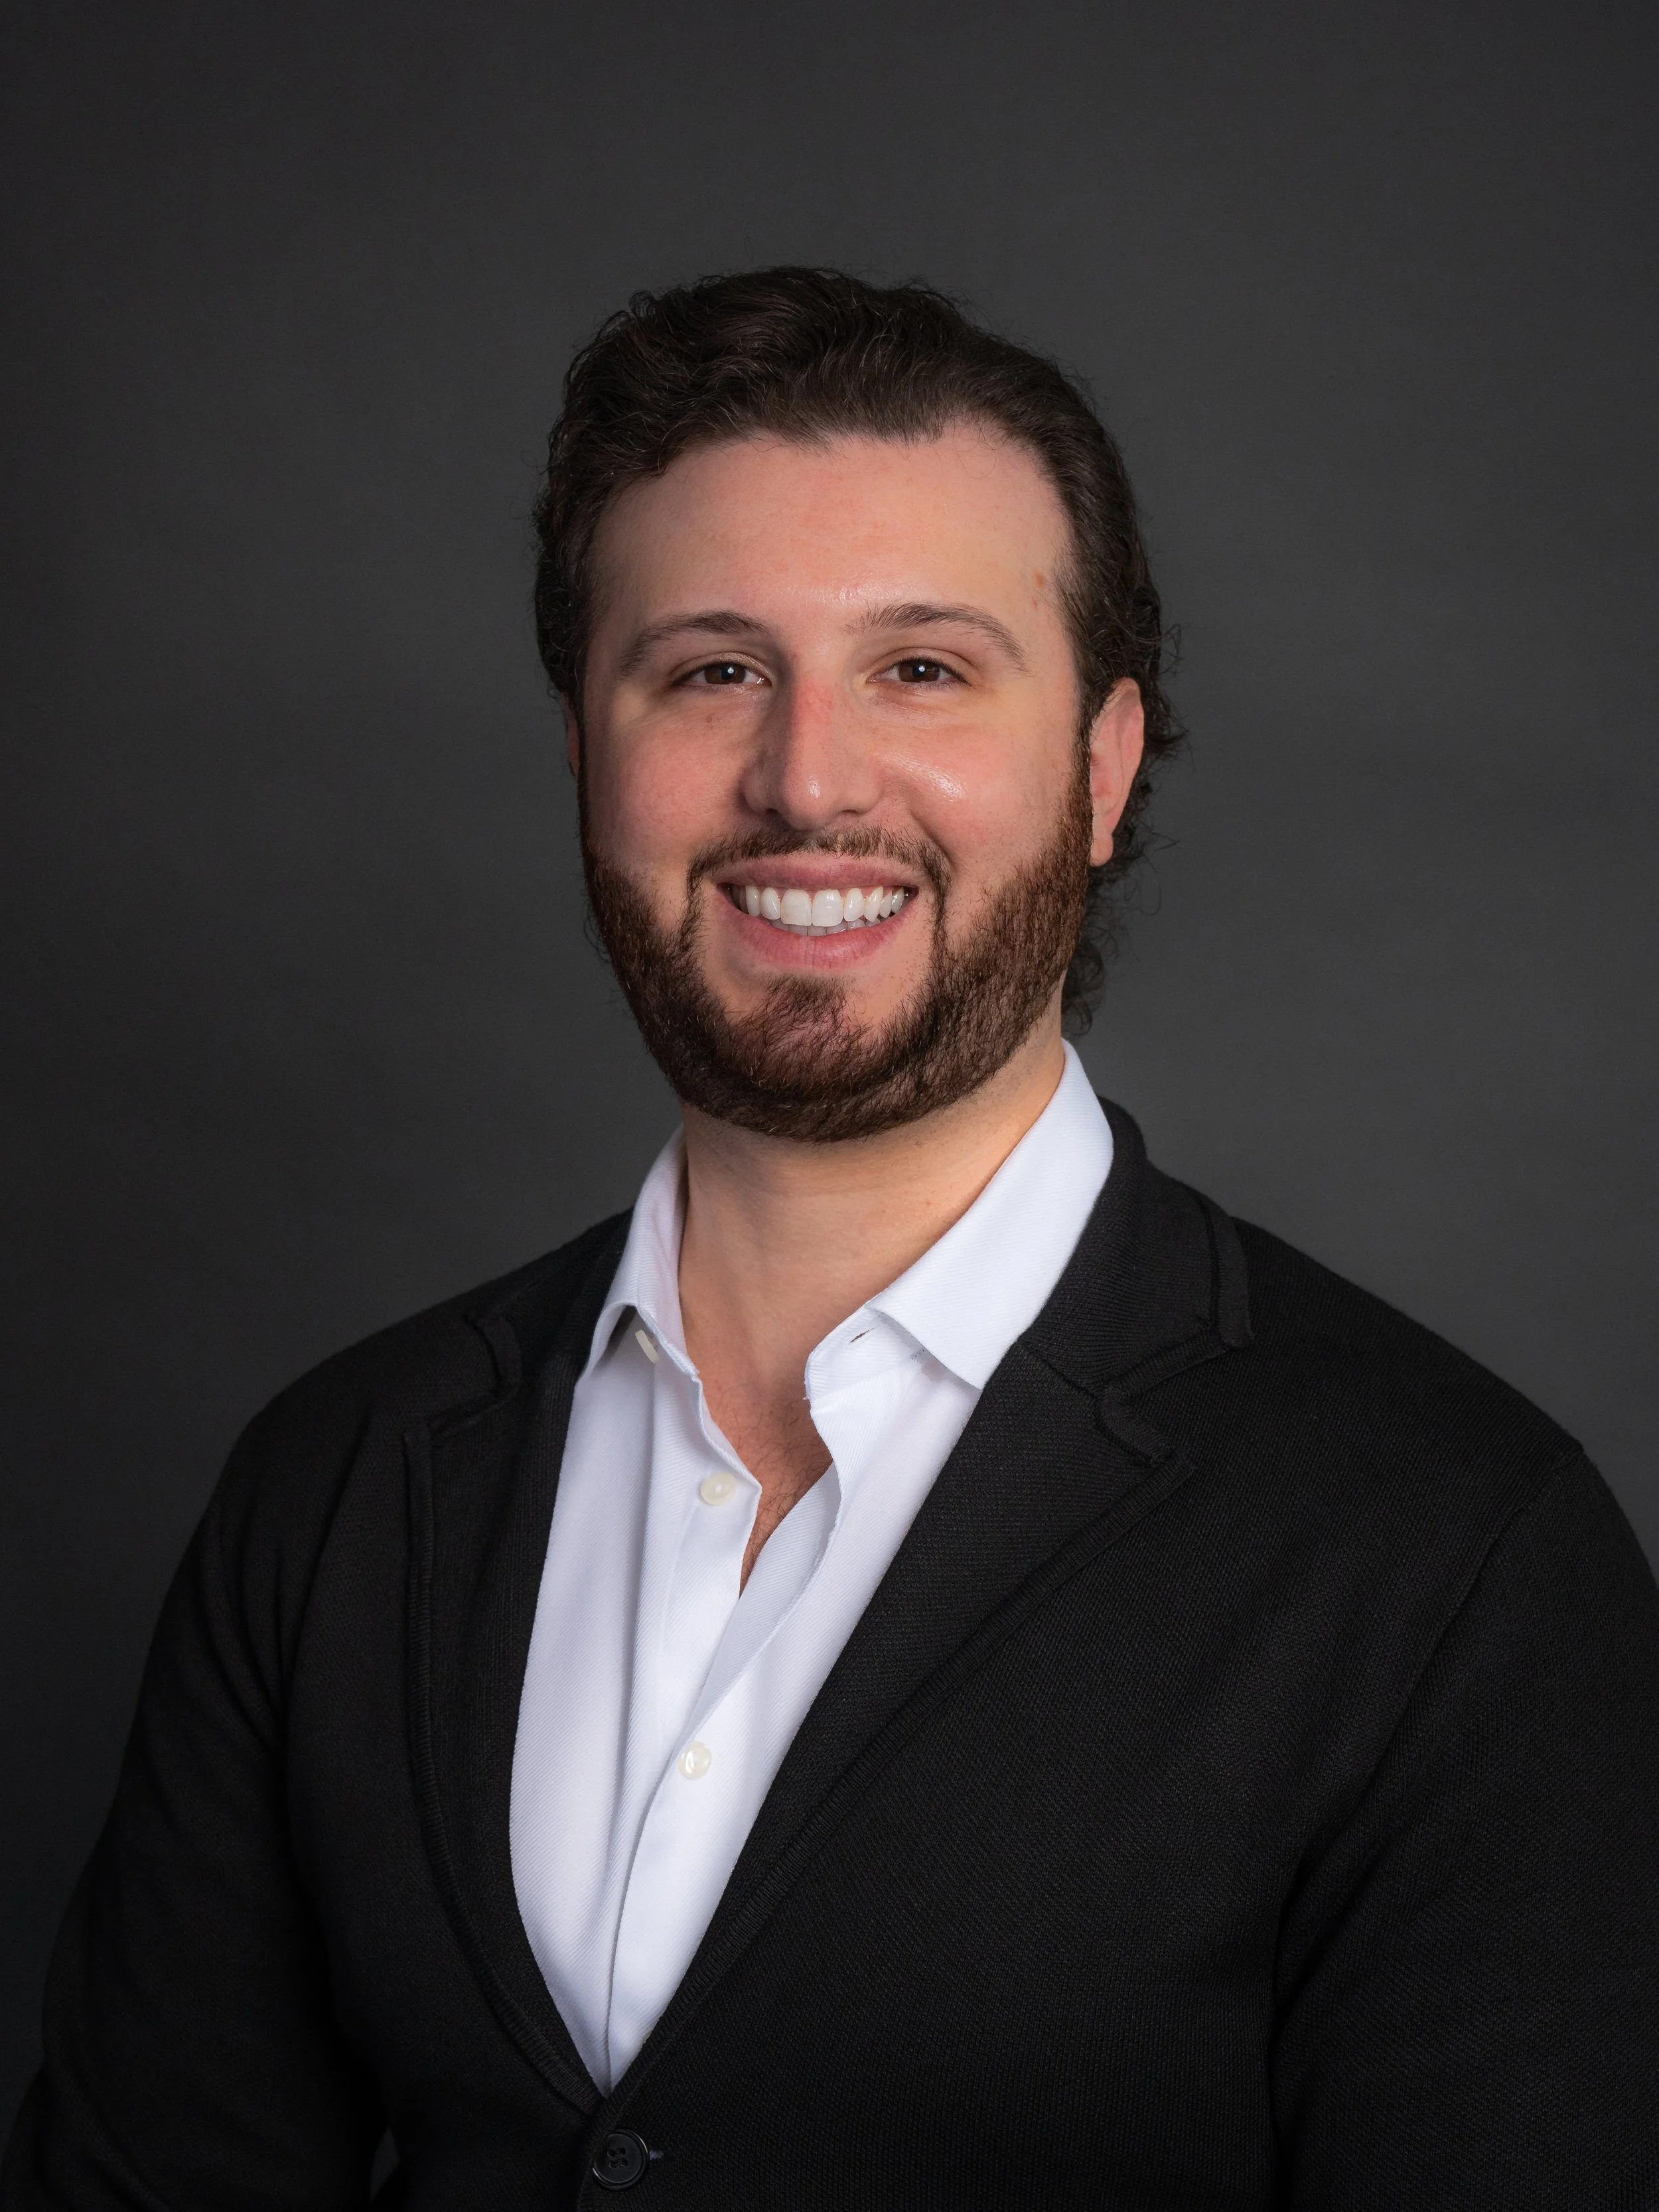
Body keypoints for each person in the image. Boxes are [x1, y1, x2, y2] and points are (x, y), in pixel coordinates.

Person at [5, 267, 1657, 2212]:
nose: (805, 778)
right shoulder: (339, 1481)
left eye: (923, 668)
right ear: (584, 752)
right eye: (711, 669)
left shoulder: (1458, 1559)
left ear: (1104, 765)